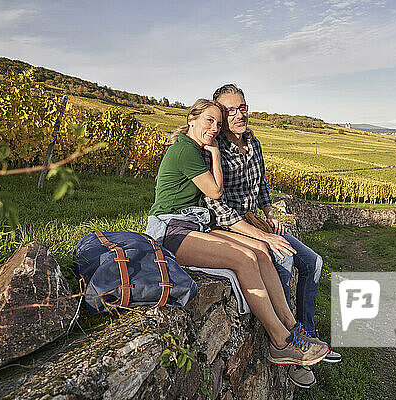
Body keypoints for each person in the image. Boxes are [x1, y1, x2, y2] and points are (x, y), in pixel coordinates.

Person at [145, 98, 328, 368]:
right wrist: (217, 153)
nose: (215, 127)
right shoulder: (186, 149)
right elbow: (215, 192)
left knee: (261, 252)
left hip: (195, 223)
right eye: (210, 120)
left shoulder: (198, 147)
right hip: (170, 229)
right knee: (244, 259)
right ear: (191, 119)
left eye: (218, 123)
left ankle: (291, 327)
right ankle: (280, 343)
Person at [202, 85, 341, 388]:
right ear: (220, 115)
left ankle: (306, 334)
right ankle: (288, 349)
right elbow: (217, 206)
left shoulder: (253, 142)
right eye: (230, 110)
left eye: (242, 107)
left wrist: (270, 213)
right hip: (233, 227)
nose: (239, 114)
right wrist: (262, 236)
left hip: (257, 220)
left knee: (313, 263)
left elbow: (262, 183)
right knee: (283, 264)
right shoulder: (214, 149)